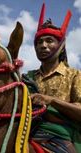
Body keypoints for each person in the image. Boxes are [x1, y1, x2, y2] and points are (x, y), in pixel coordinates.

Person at [23, 3, 81, 153]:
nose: (43, 45)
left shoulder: (74, 75)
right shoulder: (27, 77)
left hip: (62, 136)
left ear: (61, 46)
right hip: (25, 132)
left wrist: (51, 100)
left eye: (49, 41)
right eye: (39, 42)